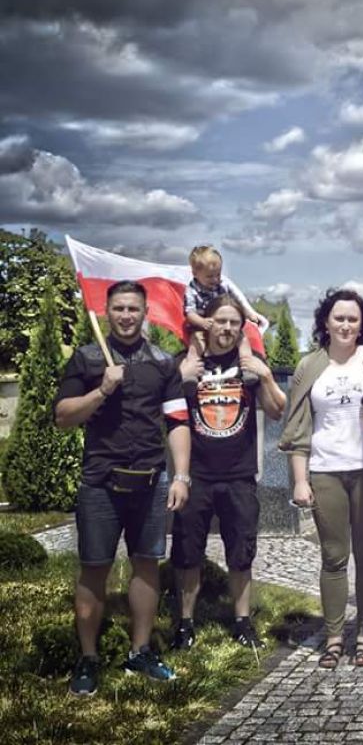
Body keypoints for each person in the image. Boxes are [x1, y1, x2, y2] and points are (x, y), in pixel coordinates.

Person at [55, 280, 191, 696]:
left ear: (145, 313)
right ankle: (88, 658)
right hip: (100, 481)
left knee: (146, 563)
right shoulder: (88, 357)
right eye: (119, 308)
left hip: (150, 480)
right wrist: (102, 388)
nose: (126, 316)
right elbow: (63, 416)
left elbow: (177, 421)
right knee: (94, 567)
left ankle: (140, 651)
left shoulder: (163, 363)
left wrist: (181, 475)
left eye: (133, 309)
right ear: (107, 311)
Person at [172, 295, 286, 651]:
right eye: (220, 321)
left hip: (239, 475)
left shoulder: (249, 366)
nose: (226, 328)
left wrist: (266, 375)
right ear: (207, 322)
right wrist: (180, 377)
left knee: (241, 551)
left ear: (242, 328)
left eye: (234, 322)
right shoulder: (187, 362)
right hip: (197, 475)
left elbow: (277, 411)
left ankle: (242, 621)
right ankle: (185, 623)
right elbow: (161, 407)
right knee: (188, 552)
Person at [279, 288, 363, 668]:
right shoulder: (310, 366)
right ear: (326, 321)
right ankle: (335, 636)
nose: (345, 325)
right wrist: (300, 480)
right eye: (339, 318)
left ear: (362, 323)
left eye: (353, 319)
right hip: (325, 471)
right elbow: (297, 429)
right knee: (334, 557)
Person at [184, 245, 262, 364]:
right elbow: (189, 313)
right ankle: (192, 365)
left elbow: (238, 298)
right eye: (210, 276)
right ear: (195, 273)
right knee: (196, 340)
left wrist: (249, 312)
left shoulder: (223, 285)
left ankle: (247, 362)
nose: (215, 279)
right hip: (202, 326)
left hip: (223, 323)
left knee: (242, 338)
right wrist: (201, 322)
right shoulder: (191, 291)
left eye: (218, 275)